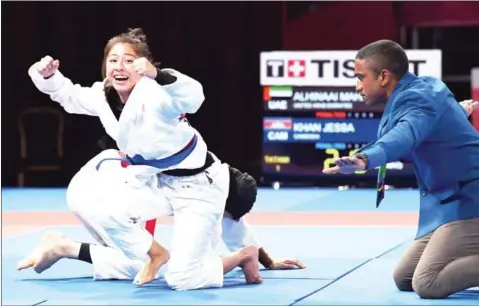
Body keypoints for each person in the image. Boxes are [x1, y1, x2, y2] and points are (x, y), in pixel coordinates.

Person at [24, 27, 262, 290]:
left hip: (197, 188)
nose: (119, 66)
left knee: (183, 279)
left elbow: (194, 97)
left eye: (128, 60)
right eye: (113, 60)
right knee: (103, 208)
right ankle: (155, 254)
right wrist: (49, 76)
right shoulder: (103, 95)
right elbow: (69, 95)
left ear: (143, 65)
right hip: (156, 183)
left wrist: (157, 75)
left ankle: (241, 257)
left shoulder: (158, 94)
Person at [323, 39, 479, 299]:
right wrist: (457, 113)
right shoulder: (423, 88)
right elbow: (431, 119)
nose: (357, 85)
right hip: (447, 206)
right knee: (404, 277)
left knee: (427, 283)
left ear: (384, 77)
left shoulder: (418, 98)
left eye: (361, 77)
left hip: (469, 201)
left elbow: (403, 135)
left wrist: (363, 160)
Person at [17, 164, 305, 281]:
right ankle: (61, 247)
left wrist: (269, 260)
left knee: (145, 257)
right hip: (97, 192)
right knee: (146, 264)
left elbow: (236, 226)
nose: (225, 219)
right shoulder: (195, 188)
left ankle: (62, 245)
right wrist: (153, 256)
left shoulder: (215, 175)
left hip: (102, 181)